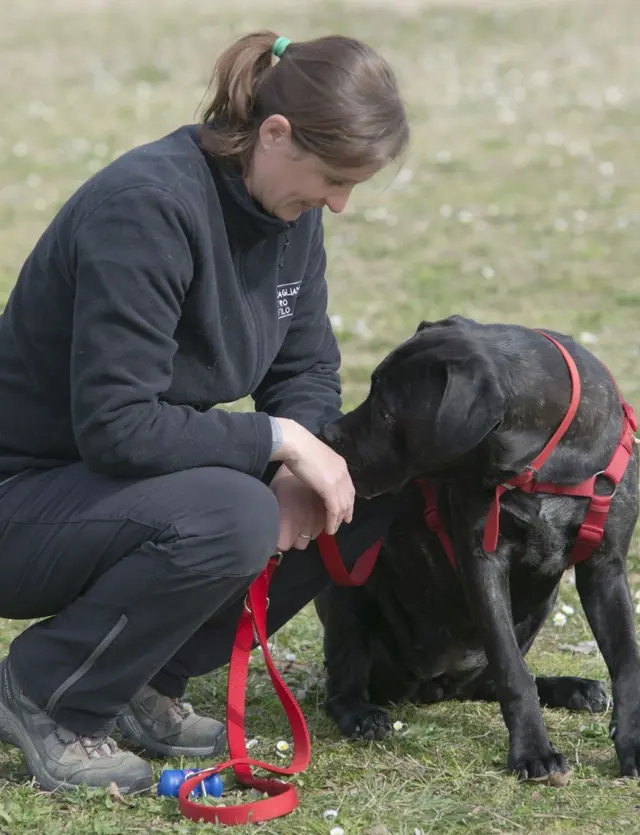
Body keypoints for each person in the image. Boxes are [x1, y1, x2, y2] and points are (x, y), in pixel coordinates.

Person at [0, 30, 410, 794]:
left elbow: (306, 364)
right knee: (229, 513)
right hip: (21, 499)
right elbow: (118, 426)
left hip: (105, 489)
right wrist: (278, 440)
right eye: (333, 177)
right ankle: (50, 692)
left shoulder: (289, 210)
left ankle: (146, 681)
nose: (341, 203)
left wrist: (302, 459)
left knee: (351, 486)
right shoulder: (146, 208)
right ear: (275, 134)